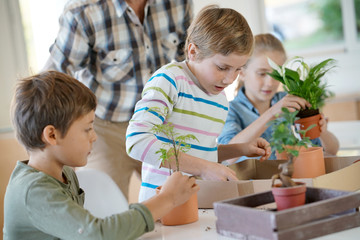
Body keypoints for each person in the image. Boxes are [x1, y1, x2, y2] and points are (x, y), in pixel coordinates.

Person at [3, 71, 199, 240]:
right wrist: (167, 199)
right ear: (52, 135)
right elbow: (96, 234)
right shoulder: (34, 191)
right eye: (87, 129)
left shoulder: (65, 174)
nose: (94, 137)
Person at [42, 0, 194, 200]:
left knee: (183, 204)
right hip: (105, 131)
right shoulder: (83, 11)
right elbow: (53, 80)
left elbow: (192, 61)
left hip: (162, 124)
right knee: (103, 210)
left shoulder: (179, 3)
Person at [126, 6, 272, 202]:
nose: (230, 79)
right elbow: (136, 141)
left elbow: (202, 153)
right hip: (163, 206)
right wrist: (204, 168)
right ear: (193, 51)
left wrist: (240, 149)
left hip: (199, 202)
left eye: (238, 69)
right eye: (222, 67)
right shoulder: (170, 81)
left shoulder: (220, 99)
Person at [218, 33, 339, 161]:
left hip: (288, 178)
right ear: (242, 72)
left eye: (277, 74)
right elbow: (227, 158)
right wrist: (272, 113)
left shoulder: (287, 101)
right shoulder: (230, 110)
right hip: (253, 180)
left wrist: (322, 131)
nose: (270, 83)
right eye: (262, 74)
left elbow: (332, 150)